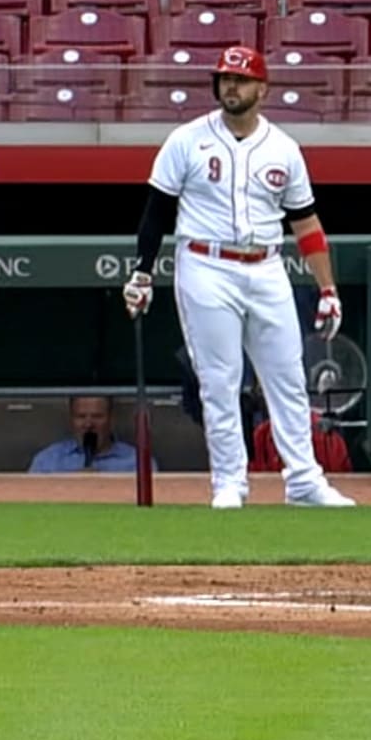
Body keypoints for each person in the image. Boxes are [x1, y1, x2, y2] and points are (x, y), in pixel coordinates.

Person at [123, 45, 354, 509]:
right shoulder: (187, 140)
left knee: (287, 376)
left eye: (241, 79)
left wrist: (327, 288)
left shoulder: (284, 148)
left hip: (267, 265)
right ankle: (229, 482)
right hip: (206, 263)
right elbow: (156, 213)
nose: (231, 86)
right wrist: (142, 272)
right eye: (226, 79)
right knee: (220, 379)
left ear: (262, 89)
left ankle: (305, 481)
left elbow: (305, 223)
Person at [29, 394, 138, 473]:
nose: (88, 424)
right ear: (71, 419)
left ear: (111, 419)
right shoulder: (47, 461)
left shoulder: (136, 462)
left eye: (97, 416)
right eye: (81, 416)